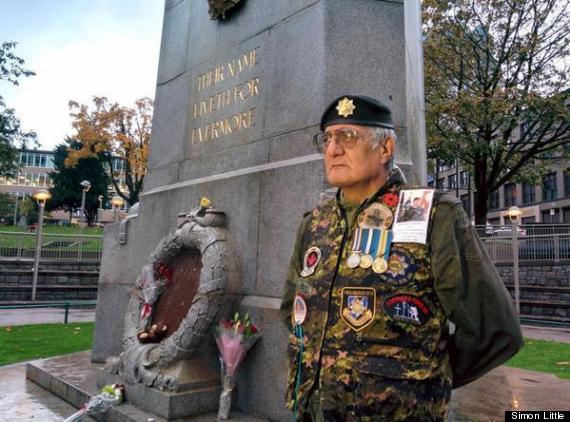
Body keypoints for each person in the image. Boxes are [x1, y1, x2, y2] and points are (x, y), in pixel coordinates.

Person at [281, 95, 523, 421]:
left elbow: (494, 330)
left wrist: (422, 377)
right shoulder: (314, 223)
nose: (332, 150)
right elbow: (293, 311)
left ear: (385, 148)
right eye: (327, 138)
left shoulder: (432, 215)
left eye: (347, 137)